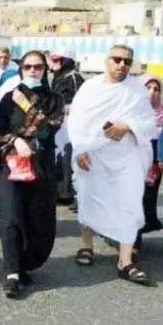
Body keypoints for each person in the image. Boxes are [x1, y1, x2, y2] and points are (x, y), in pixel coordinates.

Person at [68, 45, 156, 285]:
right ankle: (86, 245)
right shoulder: (90, 88)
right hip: (94, 155)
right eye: (117, 60)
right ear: (107, 61)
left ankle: (125, 261)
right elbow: (76, 121)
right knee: (89, 198)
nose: (122, 65)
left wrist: (127, 126)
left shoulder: (137, 91)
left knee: (129, 203)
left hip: (126, 157)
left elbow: (149, 124)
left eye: (127, 61)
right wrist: (80, 150)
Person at [0, 51, 64, 298]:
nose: (33, 71)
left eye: (38, 67)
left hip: (41, 167)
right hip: (11, 166)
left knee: (39, 220)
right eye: (28, 66)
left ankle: (26, 264)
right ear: (21, 68)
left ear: (45, 70)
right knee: (11, 217)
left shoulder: (55, 99)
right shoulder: (7, 99)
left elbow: (48, 130)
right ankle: (11, 272)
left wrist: (26, 106)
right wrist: (16, 141)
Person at [50, 49, 85, 206]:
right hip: (59, 120)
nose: (55, 63)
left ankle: (71, 192)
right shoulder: (58, 78)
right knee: (60, 155)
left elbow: (79, 100)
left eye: (59, 60)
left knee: (69, 156)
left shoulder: (74, 77)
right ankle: (61, 190)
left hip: (71, 122)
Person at [139, 76, 163, 240]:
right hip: (136, 156)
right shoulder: (133, 111)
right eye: (148, 88)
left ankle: (148, 221)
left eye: (156, 89)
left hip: (156, 158)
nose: (152, 92)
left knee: (149, 194)